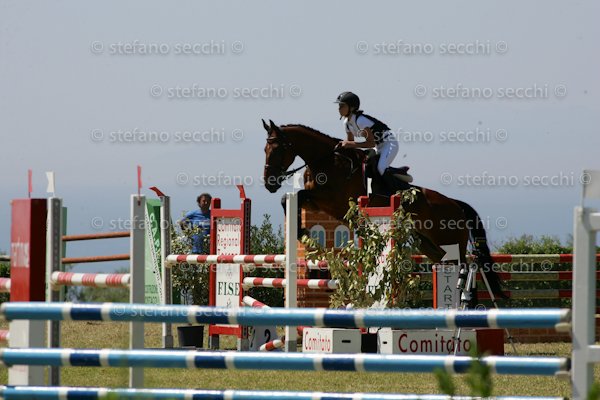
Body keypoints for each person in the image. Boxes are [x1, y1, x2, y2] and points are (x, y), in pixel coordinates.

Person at [334, 91, 399, 181]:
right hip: (377, 146)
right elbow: (350, 143)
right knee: (366, 167)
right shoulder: (346, 123)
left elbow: (370, 143)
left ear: (352, 108)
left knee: (380, 168)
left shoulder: (360, 121)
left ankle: (399, 187)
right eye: (339, 106)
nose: (339, 109)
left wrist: (350, 144)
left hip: (389, 143)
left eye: (342, 106)